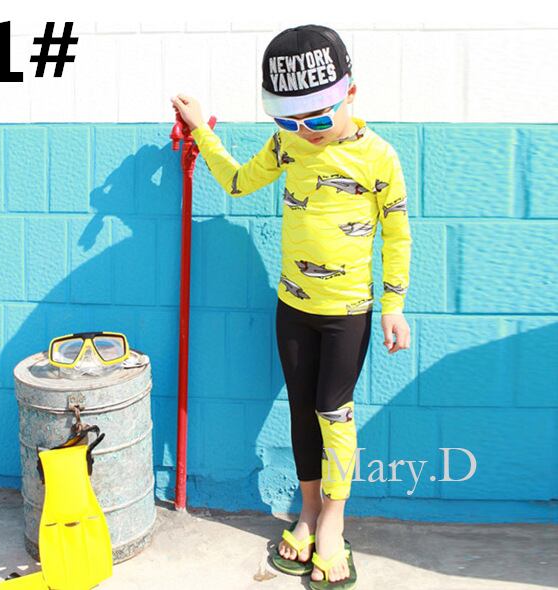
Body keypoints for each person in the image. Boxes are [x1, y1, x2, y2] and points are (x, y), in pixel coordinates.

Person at [171, 23, 411, 590]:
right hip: (292, 305)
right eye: (289, 120)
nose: (305, 132)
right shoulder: (289, 146)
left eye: (317, 120)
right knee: (302, 409)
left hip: (347, 311)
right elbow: (237, 182)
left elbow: (397, 233)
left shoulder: (379, 157)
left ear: (351, 94)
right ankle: (307, 511)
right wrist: (202, 130)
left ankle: (333, 521)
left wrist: (394, 305)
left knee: (334, 410)